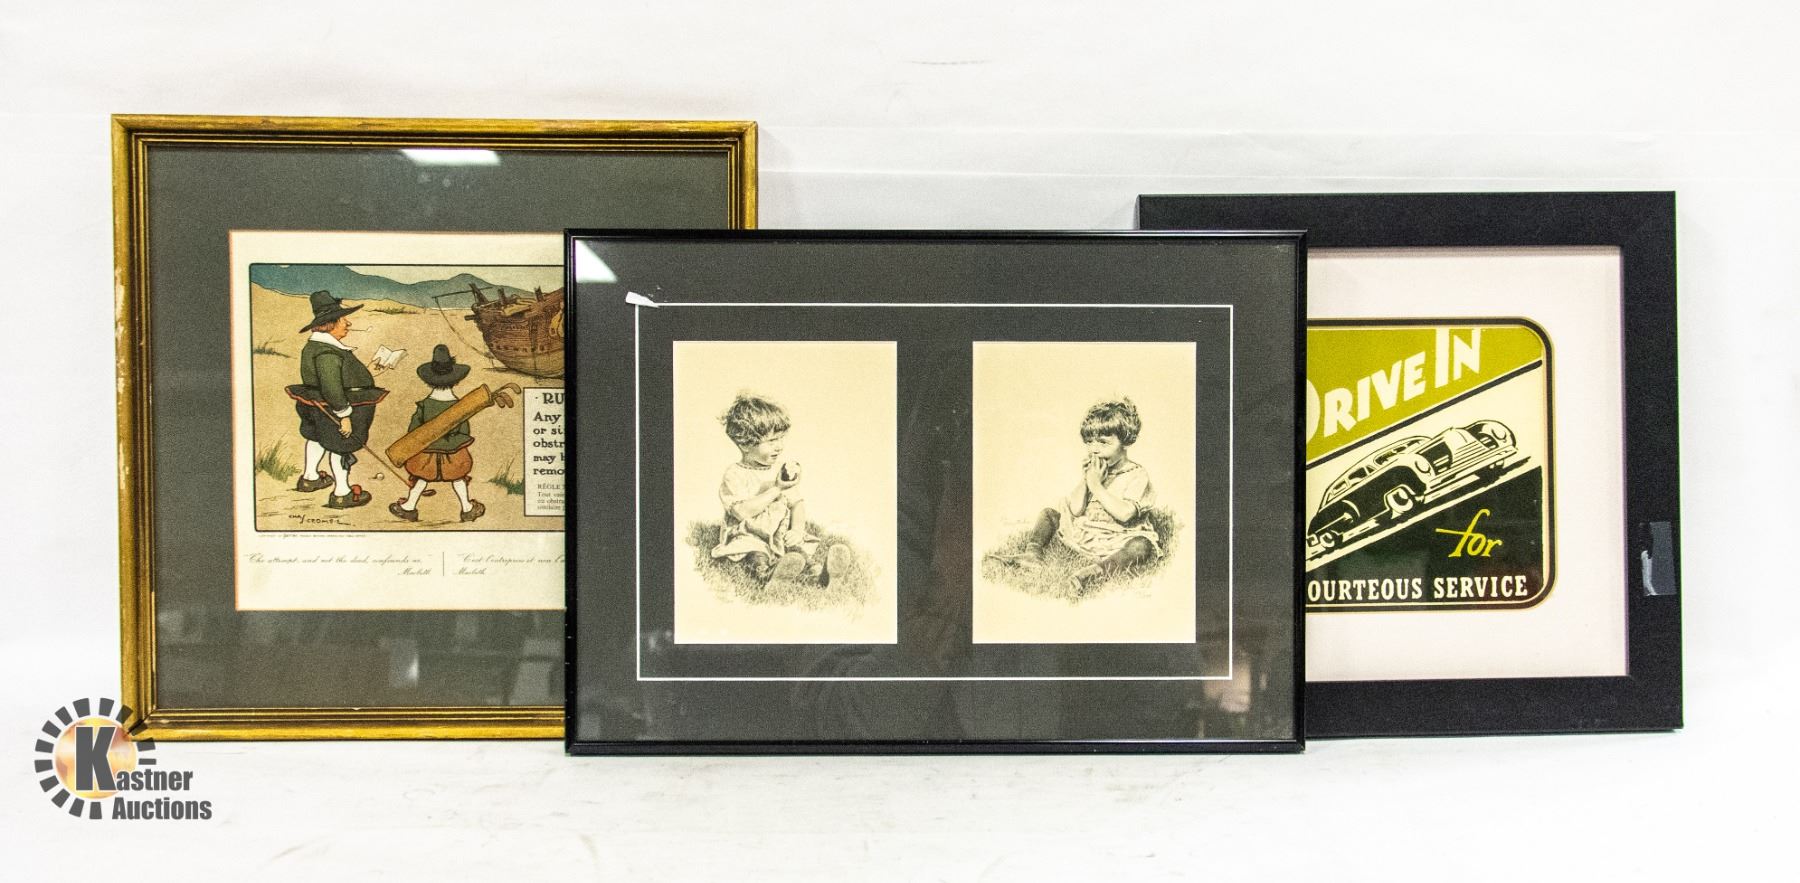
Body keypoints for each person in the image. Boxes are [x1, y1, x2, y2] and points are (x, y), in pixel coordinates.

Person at [1003, 398, 1161, 593]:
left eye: (1103, 442)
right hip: (1086, 531)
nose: (1094, 449)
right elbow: (1076, 510)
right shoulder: (1095, 472)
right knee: (1049, 514)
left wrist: (1096, 485)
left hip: (1118, 537)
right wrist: (1087, 479)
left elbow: (1125, 514)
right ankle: (1032, 555)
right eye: (1089, 442)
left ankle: (1094, 573)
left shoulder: (1137, 474)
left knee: (1141, 547)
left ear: (1125, 441)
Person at [709, 393, 849, 586]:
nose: (779, 447)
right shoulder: (734, 474)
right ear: (745, 444)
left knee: (797, 551)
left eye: (781, 439)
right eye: (772, 441)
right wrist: (776, 489)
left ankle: (822, 576)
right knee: (755, 553)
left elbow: (797, 503)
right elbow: (742, 512)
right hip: (750, 534)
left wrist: (797, 529)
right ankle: (768, 576)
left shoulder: (780, 470)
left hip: (779, 532)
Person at [286, 290, 387, 509]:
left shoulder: (317, 346)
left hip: (317, 405)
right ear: (330, 324)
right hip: (334, 407)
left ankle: (310, 478)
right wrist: (345, 416)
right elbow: (331, 387)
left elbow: (337, 378)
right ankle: (342, 493)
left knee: (316, 437)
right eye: (343, 320)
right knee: (340, 445)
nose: (348, 323)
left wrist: (368, 372)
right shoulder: (327, 353)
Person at [388, 345, 487, 523]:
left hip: (425, 458)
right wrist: (450, 443)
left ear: (430, 381)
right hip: (454, 457)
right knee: (458, 479)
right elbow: (464, 432)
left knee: (421, 479)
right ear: (455, 380)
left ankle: (409, 507)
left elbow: (413, 432)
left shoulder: (424, 405)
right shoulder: (460, 407)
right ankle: (467, 508)